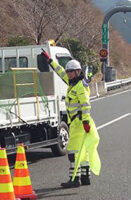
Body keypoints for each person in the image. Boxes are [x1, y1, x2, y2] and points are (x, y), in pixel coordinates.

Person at [41, 50, 101, 188]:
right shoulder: (72, 83)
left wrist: (85, 122)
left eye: (71, 72)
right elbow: (60, 72)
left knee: (73, 151)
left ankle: (74, 179)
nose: (68, 74)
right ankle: (85, 177)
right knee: (83, 150)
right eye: (68, 72)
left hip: (79, 123)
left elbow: (86, 105)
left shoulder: (80, 86)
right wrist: (50, 61)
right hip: (76, 122)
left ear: (78, 72)